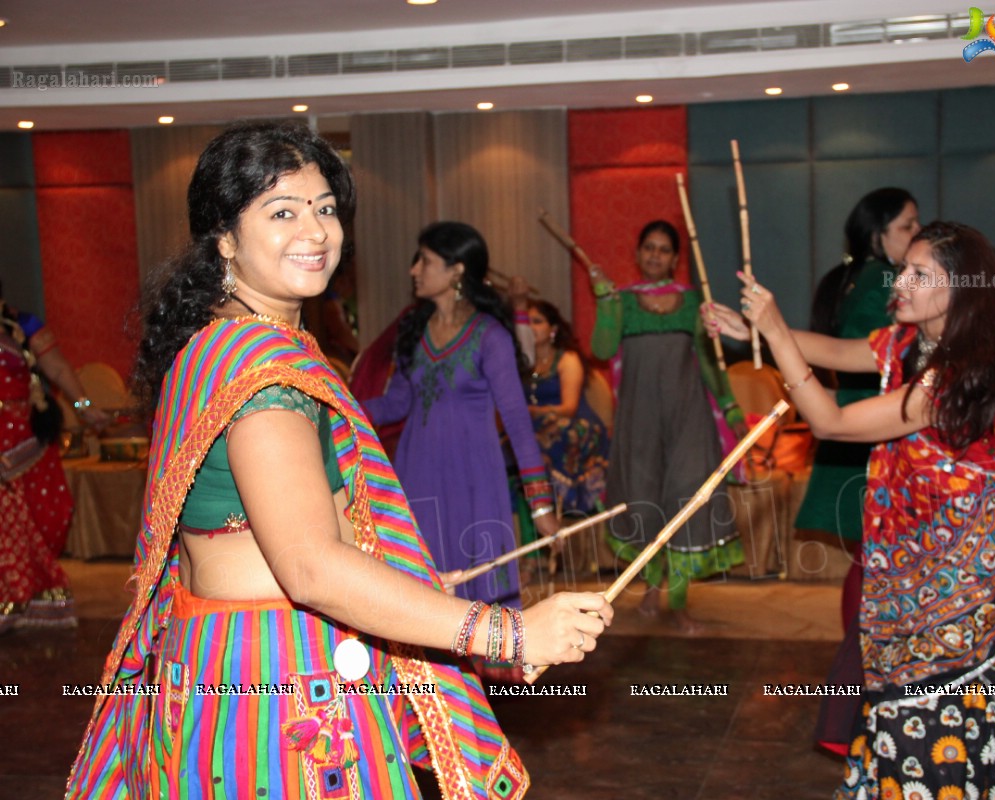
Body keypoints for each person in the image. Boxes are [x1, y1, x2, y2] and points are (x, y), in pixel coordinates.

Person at [67, 121, 612, 799]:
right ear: (225, 239)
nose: (317, 231)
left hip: (229, 666)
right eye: (283, 211)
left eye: (325, 209)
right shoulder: (261, 375)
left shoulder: (218, 347)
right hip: (278, 690)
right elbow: (310, 566)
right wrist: (508, 632)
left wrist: (409, 578)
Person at [706, 221, 995, 800]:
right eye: (905, 267)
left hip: (962, 579)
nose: (900, 280)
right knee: (898, 696)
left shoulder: (957, 377)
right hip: (911, 562)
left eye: (919, 274)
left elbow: (831, 422)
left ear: (958, 292)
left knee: (936, 702)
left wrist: (775, 330)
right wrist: (752, 325)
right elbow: (831, 350)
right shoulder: (904, 345)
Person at [362, 221, 559, 606]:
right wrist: (335, 405)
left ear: (457, 270)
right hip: (417, 473)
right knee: (422, 584)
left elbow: (518, 424)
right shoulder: (413, 330)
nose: (413, 270)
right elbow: (397, 403)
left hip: (474, 479)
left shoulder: (490, 336)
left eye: (425, 260)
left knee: (477, 587)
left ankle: (479, 666)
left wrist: (541, 506)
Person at [801, 189, 919, 755]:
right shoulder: (879, 282)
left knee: (869, 562)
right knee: (875, 568)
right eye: (907, 228)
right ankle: (860, 686)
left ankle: (859, 687)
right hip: (871, 432)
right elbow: (871, 355)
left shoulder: (855, 276)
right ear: (878, 235)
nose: (912, 241)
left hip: (861, 429)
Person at [588, 220, 745, 632]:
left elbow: (710, 361)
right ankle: (653, 586)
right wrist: (604, 302)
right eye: (648, 248)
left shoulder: (694, 302)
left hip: (688, 419)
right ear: (638, 254)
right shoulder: (620, 301)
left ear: (675, 259)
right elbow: (602, 348)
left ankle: (678, 603)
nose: (655, 255)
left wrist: (730, 408)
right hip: (638, 422)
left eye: (663, 250)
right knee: (644, 502)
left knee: (687, 502)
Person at [0, 286, 108, 632]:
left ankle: (32, 595)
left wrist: (85, 408)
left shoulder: (21, 325)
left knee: (51, 513)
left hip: (26, 442)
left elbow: (57, 368)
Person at [524, 298, 609, 518]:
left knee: (557, 434)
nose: (531, 327)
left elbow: (569, 407)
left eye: (537, 321)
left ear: (552, 330)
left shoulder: (567, 358)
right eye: (527, 322)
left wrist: (536, 412)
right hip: (533, 423)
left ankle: (566, 503)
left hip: (571, 420)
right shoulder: (522, 362)